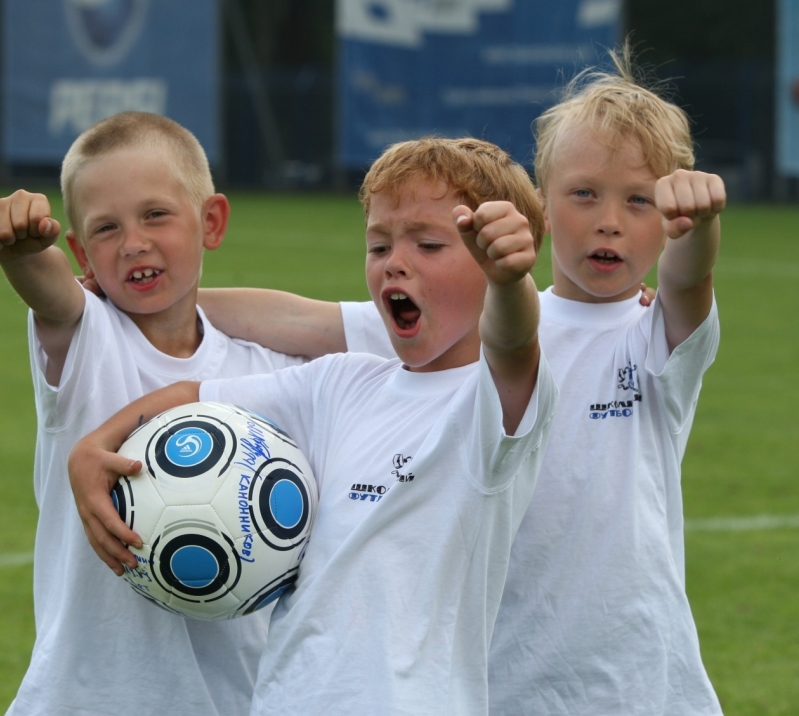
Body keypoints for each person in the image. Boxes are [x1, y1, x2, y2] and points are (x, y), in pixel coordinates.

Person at [193, 51, 727, 715]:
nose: (608, 220)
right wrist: (168, 304)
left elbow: (687, 280)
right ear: (541, 202)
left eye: (639, 200)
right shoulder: (475, 317)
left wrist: (696, 226)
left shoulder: (652, 336)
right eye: (584, 193)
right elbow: (305, 322)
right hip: (501, 671)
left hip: (634, 675)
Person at [68, 137, 558, 715]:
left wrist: (508, 280)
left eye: (428, 244)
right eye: (379, 245)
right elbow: (187, 396)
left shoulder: (494, 406)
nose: (395, 261)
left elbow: (513, 340)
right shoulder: (342, 383)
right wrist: (90, 450)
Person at [0, 111, 317, 716]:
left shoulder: (268, 366)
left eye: (156, 214)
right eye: (105, 229)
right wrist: (21, 251)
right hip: (85, 700)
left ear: (211, 222)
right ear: (80, 250)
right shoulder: (88, 338)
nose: (133, 242)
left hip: (233, 700)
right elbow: (50, 291)